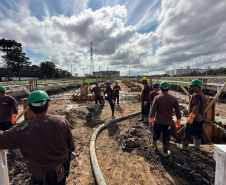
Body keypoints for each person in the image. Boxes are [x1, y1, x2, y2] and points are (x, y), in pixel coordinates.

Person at [0, 90, 75, 185]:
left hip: (42, 175)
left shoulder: (21, 130)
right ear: (48, 105)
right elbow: (71, 146)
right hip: (62, 168)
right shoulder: (61, 121)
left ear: (30, 109)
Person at [149, 81, 181, 157]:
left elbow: (153, 110)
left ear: (160, 88)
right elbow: (178, 111)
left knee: (156, 135)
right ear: (168, 88)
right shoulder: (173, 98)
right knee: (166, 137)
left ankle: (154, 146)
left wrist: (150, 118)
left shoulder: (157, 98)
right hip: (168, 123)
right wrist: (178, 120)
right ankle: (165, 152)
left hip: (158, 122)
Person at [178, 79, 206, 150]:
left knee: (188, 131)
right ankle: (196, 146)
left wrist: (191, 117)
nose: (190, 87)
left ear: (197, 86)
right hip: (201, 117)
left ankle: (184, 147)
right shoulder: (202, 94)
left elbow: (196, 106)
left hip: (195, 118)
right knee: (198, 132)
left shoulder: (196, 95)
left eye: (192, 86)